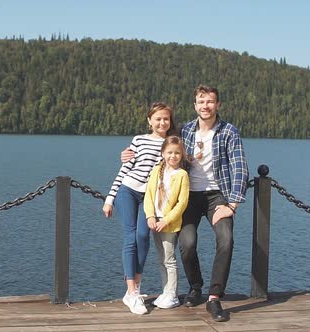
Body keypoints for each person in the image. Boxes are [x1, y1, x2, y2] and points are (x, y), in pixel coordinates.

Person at [121, 85, 249, 322]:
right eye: (201, 102)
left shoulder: (229, 132)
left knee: (226, 239)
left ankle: (214, 297)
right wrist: (130, 153)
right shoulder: (186, 130)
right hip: (189, 195)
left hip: (217, 196)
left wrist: (231, 204)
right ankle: (195, 287)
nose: (206, 106)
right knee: (187, 244)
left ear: (217, 105)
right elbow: (162, 143)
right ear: (195, 105)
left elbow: (240, 168)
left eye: (210, 101)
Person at [103, 102, 177, 315]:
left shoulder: (171, 144)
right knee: (130, 237)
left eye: (166, 118)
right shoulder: (139, 140)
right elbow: (124, 169)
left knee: (143, 236)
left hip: (150, 197)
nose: (162, 122)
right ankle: (132, 291)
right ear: (149, 121)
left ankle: (135, 287)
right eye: (158, 118)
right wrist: (110, 198)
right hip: (128, 191)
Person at [143, 136, 190, 309]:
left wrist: (166, 220)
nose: (173, 156)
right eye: (169, 152)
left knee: (169, 259)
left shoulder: (182, 175)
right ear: (163, 153)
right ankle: (165, 290)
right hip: (155, 222)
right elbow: (149, 194)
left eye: (177, 153)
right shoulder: (157, 170)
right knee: (160, 258)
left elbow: (182, 203)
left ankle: (173, 294)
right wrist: (150, 216)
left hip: (169, 224)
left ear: (182, 155)